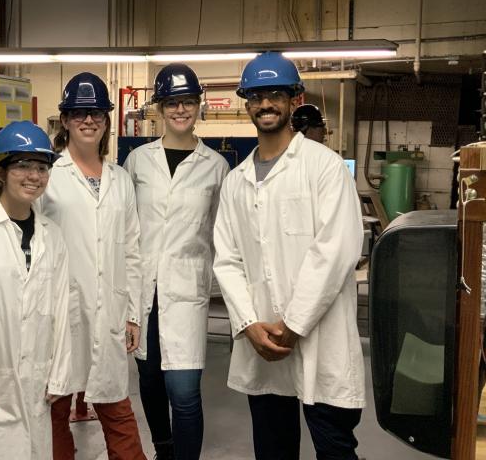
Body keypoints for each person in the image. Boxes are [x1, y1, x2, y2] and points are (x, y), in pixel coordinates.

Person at [212, 52, 365, 460]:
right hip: (263, 345)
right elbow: (227, 260)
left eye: (275, 94)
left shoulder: (325, 168)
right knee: (273, 451)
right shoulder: (235, 183)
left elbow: (336, 251)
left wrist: (293, 326)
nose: (266, 104)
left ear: (294, 100)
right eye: (257, 96)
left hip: (319, 343)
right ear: (246, 103)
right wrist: (248, 324)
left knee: (335, 450)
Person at [36, 72, 146, 460]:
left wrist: (133, 313)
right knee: (55, 410)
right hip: (59, 313)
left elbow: (133, 250)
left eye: (96, 112)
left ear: (107, 120)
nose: (88, 120)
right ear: (65, 120)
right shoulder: (47, 177)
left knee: (117, 408)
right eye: (79, 113)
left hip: (111, 315)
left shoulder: (121, 180)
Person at [123, 64, 229, 460]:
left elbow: (223, 234)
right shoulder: (137, 161)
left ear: (198, 106)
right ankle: (164, 450)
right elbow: (128, 230)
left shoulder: (216, 167)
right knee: (148, 381)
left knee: (183, 392)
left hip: (186, 293)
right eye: (172, 102)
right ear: (160, 108)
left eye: (187, 102)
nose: (180, 110)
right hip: (143, 290)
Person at [0, 121, 72, 459]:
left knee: (34, 449)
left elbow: (62, 307)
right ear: (1, 169)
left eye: (41, 167)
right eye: (22, 165)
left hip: (36, 380)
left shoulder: (52, 235)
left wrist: (60, 373)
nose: (33, 175)